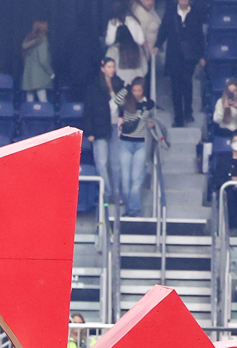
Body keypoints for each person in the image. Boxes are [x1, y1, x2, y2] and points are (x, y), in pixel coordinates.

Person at [154, 0, 205, 127]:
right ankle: (178, 117)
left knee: (187, 85)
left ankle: (188, 112)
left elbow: (200, 36)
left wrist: (201, 55)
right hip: (174, 57)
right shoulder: (170, 13)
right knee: (175, 88)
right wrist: (157, 45)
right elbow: (163, 31)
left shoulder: (195, 14)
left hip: (190, 57)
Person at [85, 58, 126, 206]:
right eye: (109, 67)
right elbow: (88, 110)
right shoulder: (94, 86)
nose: (112, 69)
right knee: (101, 163)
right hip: (99, 128)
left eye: (113, 67)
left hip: (115, 126)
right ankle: (107, 194)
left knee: (116, 163)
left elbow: (125, 104)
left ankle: (116, 195)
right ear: (103, 68)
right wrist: (89, 131)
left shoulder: (119, 84)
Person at [118, 77, 155, 217]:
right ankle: (128, 208)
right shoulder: (126, 102)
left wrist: (150, 123)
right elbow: (116, 100)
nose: (136, 93)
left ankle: (134, 210)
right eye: (134, 90)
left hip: (140, 143)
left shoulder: (148, 104)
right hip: (125, 143)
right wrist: (127, 87)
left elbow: (151, 110)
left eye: (139, 90)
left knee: (136, 179)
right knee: (125, 179)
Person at [106, 2, 148, 89]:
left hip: (120, 87)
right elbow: (145, 69)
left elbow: (107, 68)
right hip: (138, 87)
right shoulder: (138, 49)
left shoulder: (113, 50)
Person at [21, 21, 54, 103]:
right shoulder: (42, 40)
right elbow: (43, 60)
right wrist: (51, 73)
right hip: (39, 76)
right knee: (43, 101)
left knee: (29, 101)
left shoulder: (28, 39)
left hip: (28, 75)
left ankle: (29, 116)